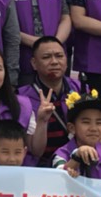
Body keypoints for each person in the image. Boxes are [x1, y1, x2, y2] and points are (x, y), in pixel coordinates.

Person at [22, 36, 82, 164]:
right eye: (46, 57)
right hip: (39, 167)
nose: (54, 62)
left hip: (76, 163)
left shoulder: (81, 89)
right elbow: (33, 150)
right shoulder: (22, 98)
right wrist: (42, 121)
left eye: (59, 56)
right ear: (34, 63)